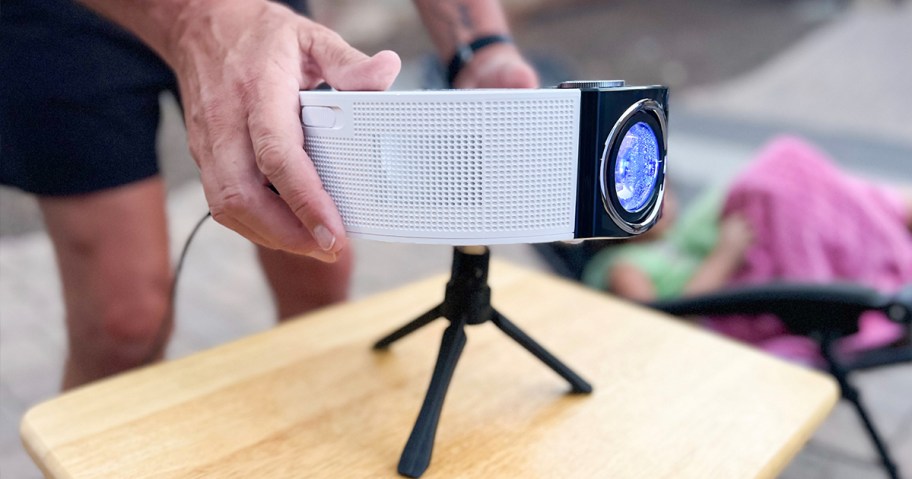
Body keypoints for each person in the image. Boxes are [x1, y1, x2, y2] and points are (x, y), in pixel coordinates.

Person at [0, 0, 539, 389]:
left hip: (262, 15)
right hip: (65, 22)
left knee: (319, 268)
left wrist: (480, 46)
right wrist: (195, 19)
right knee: (123, 323)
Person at [583, 136, 912, 363]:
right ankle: (889, 230)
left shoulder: (675, 238)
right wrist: (725, 255)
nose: (663, 204)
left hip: (750, 273)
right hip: (730, 307)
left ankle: (887, 221)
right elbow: (659, 323)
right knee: (781, 168)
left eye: (664, 192)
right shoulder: (622, 265)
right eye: (641, 197)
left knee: (796, 173)